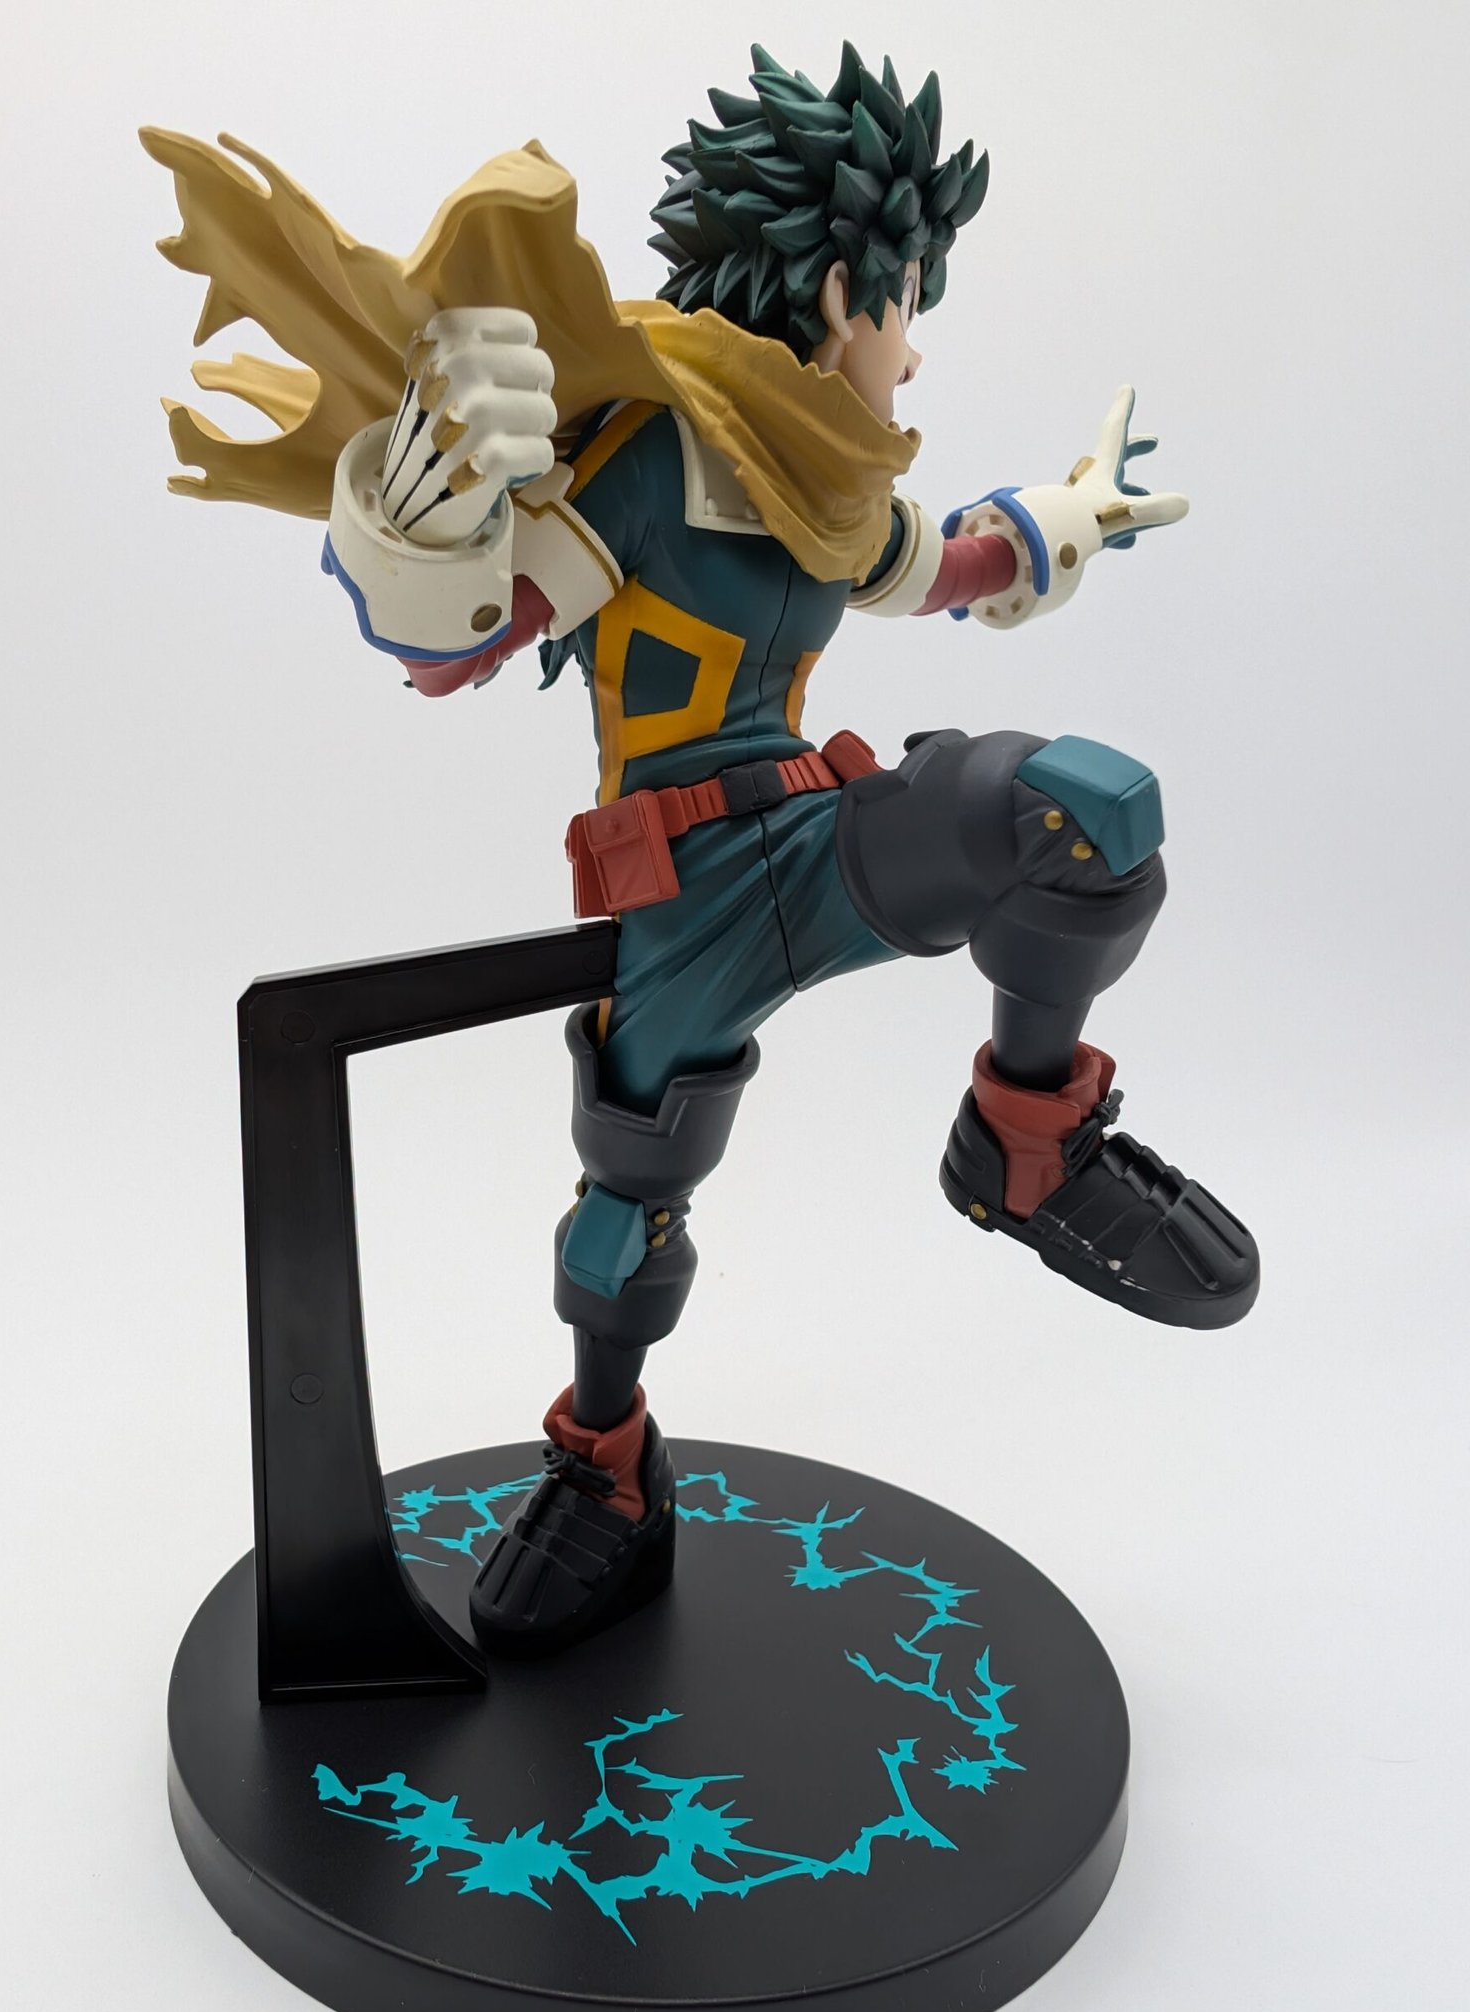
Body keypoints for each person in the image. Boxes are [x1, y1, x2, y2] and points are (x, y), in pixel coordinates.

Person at [147, 42, 1258, 1662]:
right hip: (679, 894)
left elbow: (945, 567)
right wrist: (417, 506)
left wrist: (1068, 515)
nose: (913, 350)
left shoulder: (825, 475)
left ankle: (1027, 1143)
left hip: (819, 831)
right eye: (903, 308)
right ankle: (603, 1469)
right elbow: (457, 648)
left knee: (1078, 813)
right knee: (624, 1214)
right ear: (838, 291)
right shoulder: (655, 457)